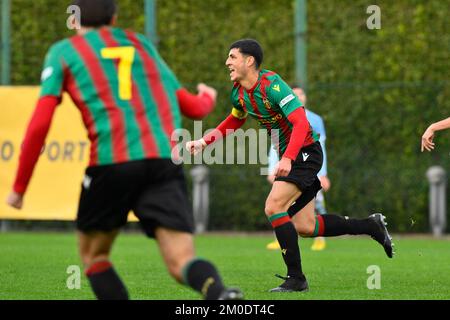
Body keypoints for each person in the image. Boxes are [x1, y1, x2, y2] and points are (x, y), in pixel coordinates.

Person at [6, 0, 242, 300]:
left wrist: (19, 187)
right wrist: (207, 96)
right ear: (114, 17)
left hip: (111, 164)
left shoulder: (64, 52)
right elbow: (194, 108)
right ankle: (220, 294)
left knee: (94, 256)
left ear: (73, 20)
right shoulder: (140, 44)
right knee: (182, 260)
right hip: (161, 162)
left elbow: (39, 124)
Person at [187, 39, 394, 293]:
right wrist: (204, 141)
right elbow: (235, 120)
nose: (227, 62)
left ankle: (296, 278)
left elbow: (301, 123)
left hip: (305, 153)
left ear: (249, 60)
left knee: (274, 206)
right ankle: (370, 226)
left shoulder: (272, 85)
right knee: (306, 227)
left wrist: (287, 158)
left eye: (232, 57)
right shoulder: (238, 92)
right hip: (292, 156)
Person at [266, 86, 330, 251]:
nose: (298, 97)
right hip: (287, 167)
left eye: (301, 94)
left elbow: (320, 145)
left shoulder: (315, 119)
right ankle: (280, 240)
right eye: (294, 94)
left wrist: (323, 174)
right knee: (280, 204)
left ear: (305, 97)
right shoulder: (281, 116)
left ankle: (320, 239)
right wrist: (272, 168)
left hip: (309, 167)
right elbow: (276, 144)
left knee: (318, 204)